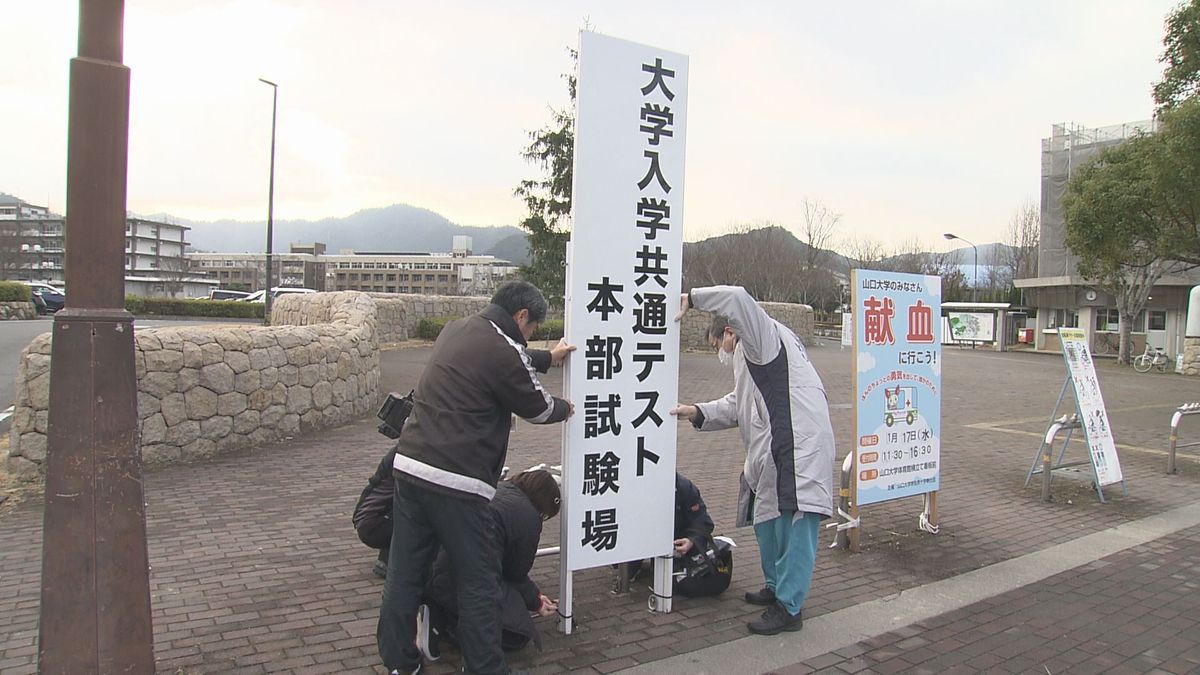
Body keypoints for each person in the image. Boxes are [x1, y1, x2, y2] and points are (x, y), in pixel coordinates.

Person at [377, 280, 575, 675]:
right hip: (458, 483)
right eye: (533, 328)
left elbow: (510, 357)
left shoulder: (458, 329)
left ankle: (400, 662)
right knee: (479, 580)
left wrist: (548, 357)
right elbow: (537, 406)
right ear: (521, 316)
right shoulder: (503, 350)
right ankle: (485, 667)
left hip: (411, 468)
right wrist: (567, 407)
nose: (531, 334)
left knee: (404, 572)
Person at [670, 285, 835, 636]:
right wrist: (697, 412)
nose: (719, 354)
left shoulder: (762, 338)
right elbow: (738, 403)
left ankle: (789, 608)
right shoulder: (749, 356)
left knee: (797, 527)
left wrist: (694, 299)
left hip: (799, 446)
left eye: (717, 346)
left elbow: (738, 298)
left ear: (729, 331)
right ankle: (776, 589)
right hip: (777, 450)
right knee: (769, 522)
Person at [416, 469, 561, 662]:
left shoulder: (496, 489)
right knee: (517, 634)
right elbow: (515, 573)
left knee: (505, 601)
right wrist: (537, 602)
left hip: (433, 568)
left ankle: (433, 609)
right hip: (462, 580)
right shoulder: (529, 519)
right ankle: (441, 622)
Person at [353, 446, 398, 579]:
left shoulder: (412, 443)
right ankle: (391, 558)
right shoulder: (412, 451)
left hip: (373, 518)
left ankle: (391, 554)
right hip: (374, 522)